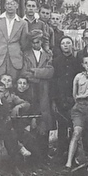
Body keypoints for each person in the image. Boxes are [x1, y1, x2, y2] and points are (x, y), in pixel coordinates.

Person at [20, 30, 55, 160]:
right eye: (34, 42)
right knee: (32, 116)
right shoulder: (26, 55)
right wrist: (41, 75)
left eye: (39, 41)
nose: (36, 44)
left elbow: (50, 72)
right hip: (31, 91)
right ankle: (33, 156)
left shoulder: (47, 55)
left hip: (45, 91)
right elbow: (24, 73)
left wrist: (34, 71)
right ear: (31, 42)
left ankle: (44, 155)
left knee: (44, 118)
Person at [0, 0, 29, 88]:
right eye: (7, 3)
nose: (10, 6)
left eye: (13, 3)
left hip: (14, 59)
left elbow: (23, 43)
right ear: (4, 6)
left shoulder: (22, 23)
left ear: (17, 5)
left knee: (12, 86)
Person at [51, 35, 82, 161]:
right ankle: (61, 153)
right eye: (63, 43)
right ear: (60, 46)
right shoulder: (56, 61)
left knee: (73, 126)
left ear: (72, 45)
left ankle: (73, 154)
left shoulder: (76, 61)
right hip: (60, 98)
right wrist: (54, 99)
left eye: (68, 43)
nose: (66, 45)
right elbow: (53, 82)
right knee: (62, 127)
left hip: (72, 98)